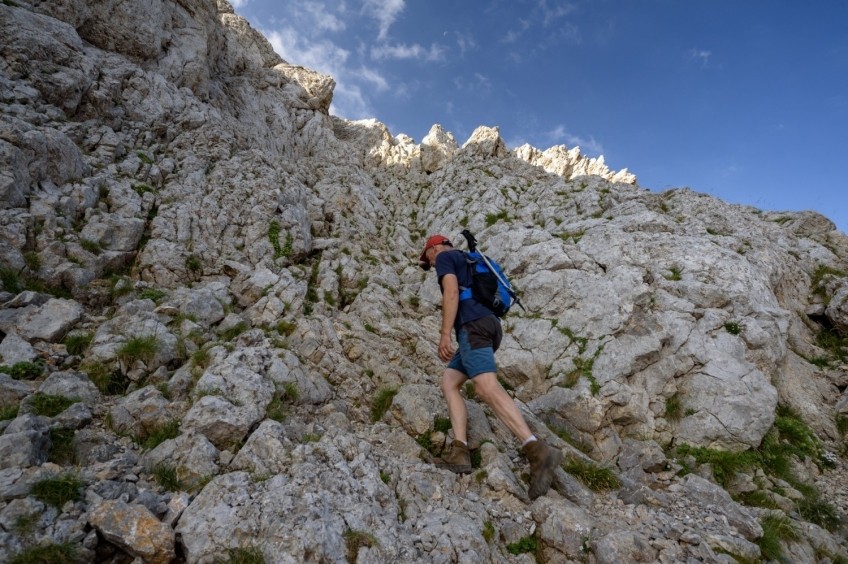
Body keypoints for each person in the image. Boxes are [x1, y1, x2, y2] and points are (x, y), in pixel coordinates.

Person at [419, 234, 563, 500]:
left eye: (427, 257)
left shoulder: (445, 258)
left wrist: (444, 334)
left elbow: (451, 292)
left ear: (435, 247)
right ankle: (460, 450)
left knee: (485, 387)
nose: (428, 263)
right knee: (450, 381)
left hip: (472, 326)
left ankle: (537, 450)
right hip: (489, 325)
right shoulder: (469, 259)